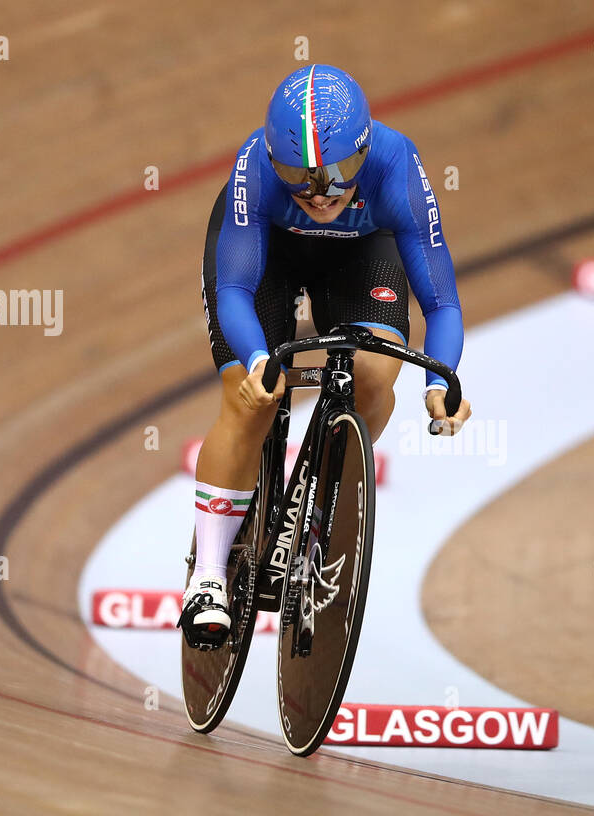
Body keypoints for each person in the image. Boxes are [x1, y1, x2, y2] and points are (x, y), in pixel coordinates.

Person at [180, 63, 471, 648]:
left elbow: (440, 304)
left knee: (375, 370)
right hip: (267, 257)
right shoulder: (255, 167)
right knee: (253, 397)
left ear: (364, 153)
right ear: (271, 157)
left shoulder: (397, 167)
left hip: (361, 256)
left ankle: (321, 510)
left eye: (337, 174)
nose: (318, 193)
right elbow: (234, 288)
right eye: (299, 176)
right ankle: (208, 576)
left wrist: (442, 382)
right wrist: (260, 357)